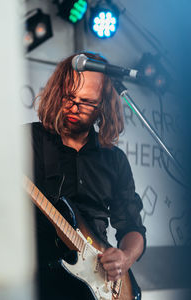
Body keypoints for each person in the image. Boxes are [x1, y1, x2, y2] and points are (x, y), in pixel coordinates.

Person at [25, 52, 146, 300]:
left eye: (86, 101)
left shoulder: (114, 160)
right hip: (40, 282)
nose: (73, 107)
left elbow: (132, 228)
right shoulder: (28, 141)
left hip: (98, 286)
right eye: (68, 97)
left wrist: (124, 257)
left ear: (103, 105)